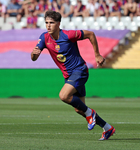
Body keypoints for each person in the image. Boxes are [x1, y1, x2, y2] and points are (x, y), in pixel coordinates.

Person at [31, 10, 115, 140]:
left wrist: (97, 54)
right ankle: (107, 128)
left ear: (58, 24)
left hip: (80, 71)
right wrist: (34, 53)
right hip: (69, 76)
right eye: (46, 23)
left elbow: (91, 34)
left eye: (51, 23)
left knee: (64, 96)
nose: (48, 26)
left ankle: (90, 113)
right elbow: (34, 58)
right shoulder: (44, 38)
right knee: (79, 109)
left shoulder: (69, 35)